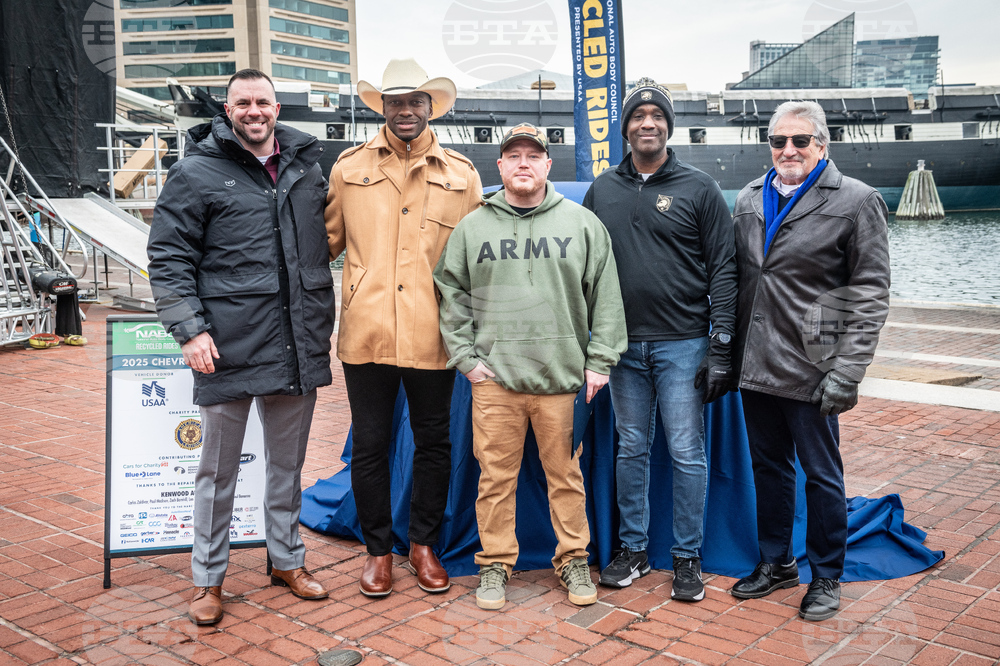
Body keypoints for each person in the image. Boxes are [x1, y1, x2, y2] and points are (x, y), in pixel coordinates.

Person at [147, 69, 336, 625]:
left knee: (287, 467)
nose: (254, 111)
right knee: (216, 474)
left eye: (263, 102)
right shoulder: (194, 172)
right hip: (225, 346)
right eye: (243, 103)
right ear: (227, 111)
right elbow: (169, 258)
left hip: (295, 343)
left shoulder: (307, 170)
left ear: (277, 109)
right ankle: (208, 579)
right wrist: (190, 330)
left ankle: (287, 561)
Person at [435, 123, 628, 610]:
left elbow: (607, 297)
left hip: (562, 381)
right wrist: (466, 360)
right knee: (494, 480)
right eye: (514, 155)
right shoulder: (472, 227)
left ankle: (573, 559)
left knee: (566, 478)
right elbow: (450, 293)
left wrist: (600, 361)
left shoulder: (582, 224)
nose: (524, 163)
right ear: (500, 166)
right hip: (494, 382)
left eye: (533, 155)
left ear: (547, 165)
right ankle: (495, 563)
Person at [324, 58, 482, 598]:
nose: (406, 110)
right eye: (395, 101)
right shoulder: (348, 169)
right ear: (383, 107)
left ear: (430, 107)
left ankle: (422, 545)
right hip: (366, 330)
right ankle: (377, 551)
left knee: (434, 443)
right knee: (370, 445)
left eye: (416, 101)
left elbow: (477, 260)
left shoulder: (462, 175)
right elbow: (322, 244)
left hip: (434, 333)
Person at [730, 100, 890, 621]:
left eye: (800, 140)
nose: (788, 150)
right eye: (778, 141)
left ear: (822, 144)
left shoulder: (857, 201)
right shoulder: (749, 197)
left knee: (822, 476)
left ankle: (826, 575)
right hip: (756, 363)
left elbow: (869, 293)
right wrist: (724, 355)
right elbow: (737, 279)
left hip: (814, 366)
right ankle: (776, 562)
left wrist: (848, 370)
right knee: (768, 469)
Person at [582, 78, 738, 601]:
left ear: (669, 127)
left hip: (684, 344)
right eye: (637, 116)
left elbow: (724, 268)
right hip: (620, 346)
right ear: (625, 128)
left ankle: (687, 556)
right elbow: (584, 266)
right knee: (631, 448)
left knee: (687, 451)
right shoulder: (602, 189)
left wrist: (721, 344)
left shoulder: (700, 187)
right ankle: (633, 549)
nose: (647, 123)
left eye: (657, 116)